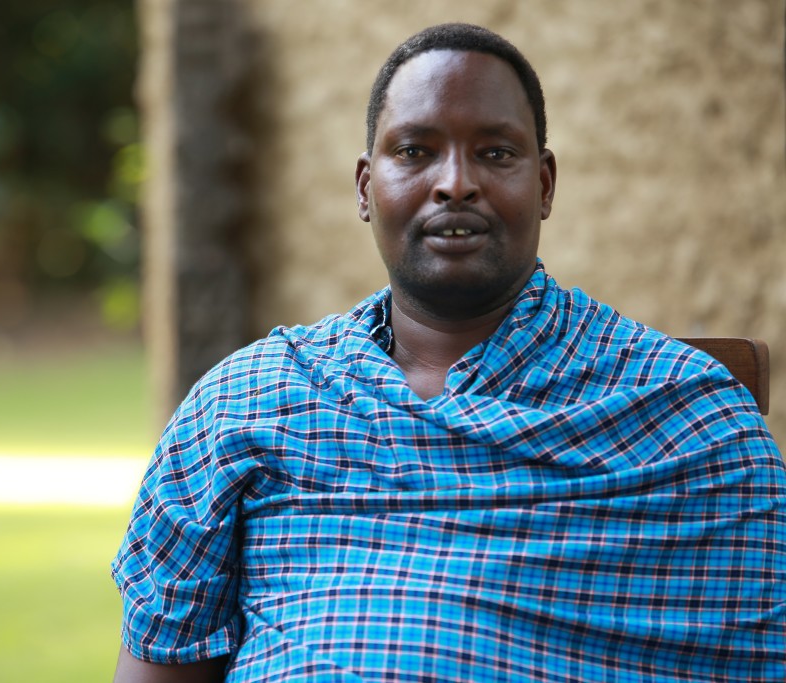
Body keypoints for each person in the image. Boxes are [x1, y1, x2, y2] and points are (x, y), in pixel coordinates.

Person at [112, 23, 785, 682]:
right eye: (414, 151)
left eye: (495, 153)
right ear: (363, 188)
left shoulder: (685, 416)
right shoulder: (246, 401)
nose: (455, 183)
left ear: (544, 185)